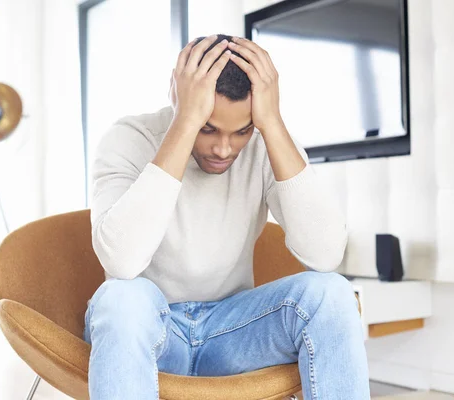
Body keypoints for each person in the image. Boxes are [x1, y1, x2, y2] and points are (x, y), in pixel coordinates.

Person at [83, 33, 370, 399]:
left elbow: (326, 254)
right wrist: (185, 125)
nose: (223, 148)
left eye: (241, 131)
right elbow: (121, 263)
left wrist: (271, 124)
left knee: (334, 293)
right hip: (149, 327)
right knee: (121, 298)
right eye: (208, 128)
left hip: (233, 332)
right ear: (177, 95)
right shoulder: (129, 138)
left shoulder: (266, 140)